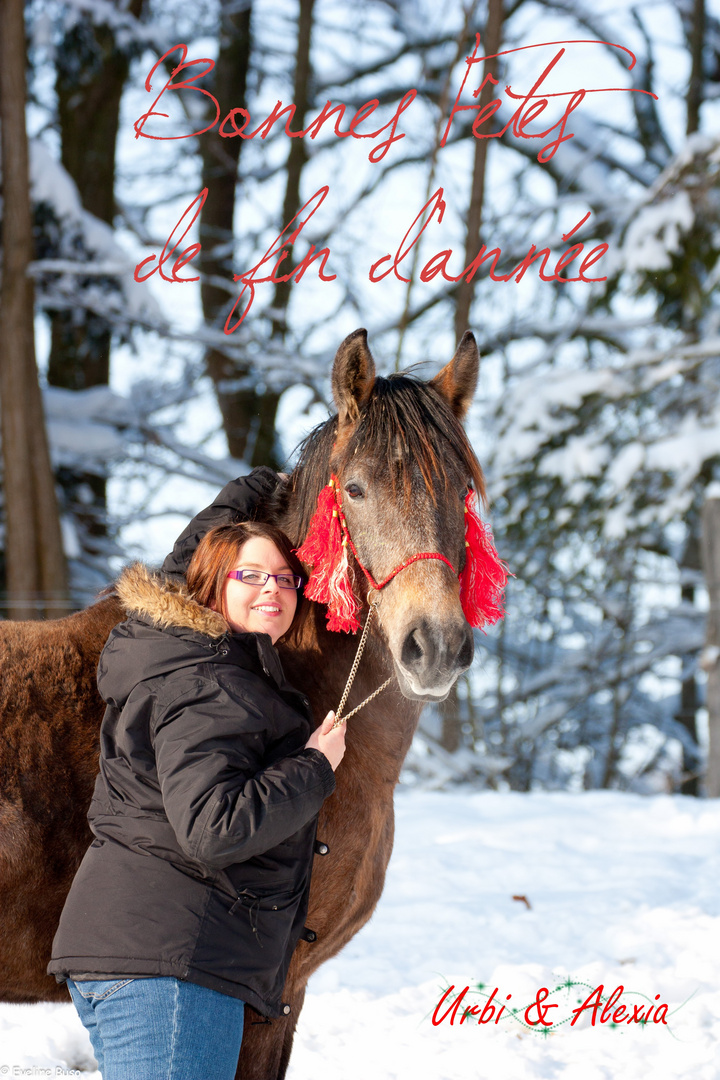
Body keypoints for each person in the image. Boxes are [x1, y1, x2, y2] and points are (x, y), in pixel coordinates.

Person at [48, 474, 346, 1080]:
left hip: (144, 956)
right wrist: (314, 768)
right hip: (169, 968)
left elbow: (190, 561)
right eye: (252, 576)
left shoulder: (177, 651)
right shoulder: (212, 683)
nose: (274, 589)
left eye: (286, 579)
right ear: (212, 588)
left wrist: (255, 488)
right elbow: (213, 827)